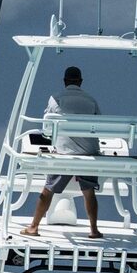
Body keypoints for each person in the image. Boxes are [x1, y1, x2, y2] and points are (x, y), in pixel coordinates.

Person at [22, 65, 103, 238]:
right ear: (80, 82)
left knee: (48, 189)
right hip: (88, 154)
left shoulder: (56, 98)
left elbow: (47, 130)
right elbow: (99, 128)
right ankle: (94, 230)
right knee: (89, 192)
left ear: (65, 81)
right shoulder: (91, 100)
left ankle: (34, 227)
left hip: (64, 155)